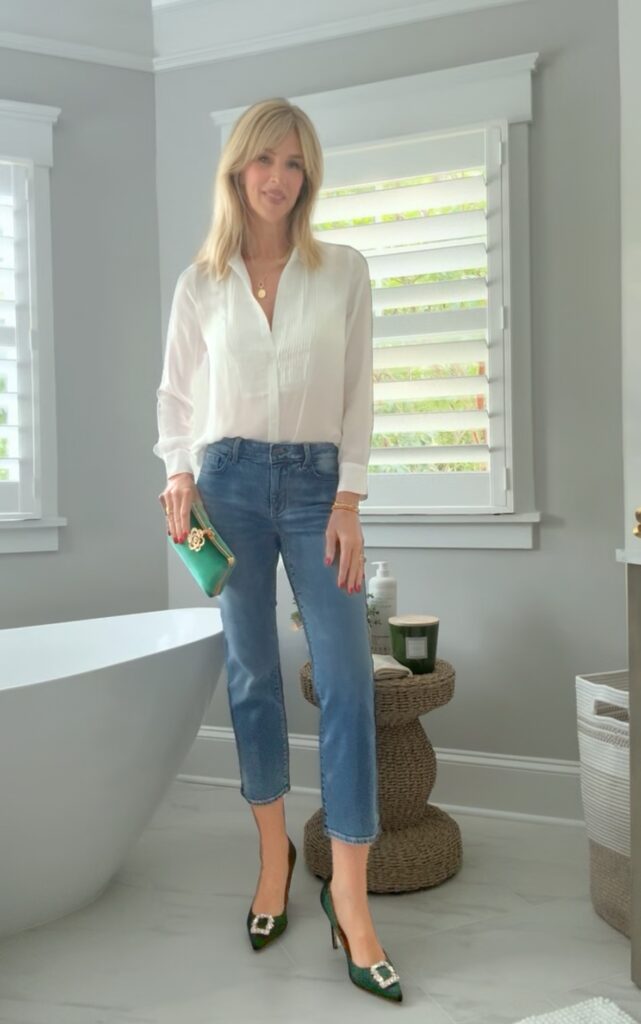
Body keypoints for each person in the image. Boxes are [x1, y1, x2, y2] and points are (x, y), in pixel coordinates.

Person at [153, 97, 402, 1003]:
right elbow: (176, 399)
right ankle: (271, 860)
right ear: (236, 170)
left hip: (313, 485)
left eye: (294, 164)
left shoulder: (343, 272)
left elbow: (360, 393)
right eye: (263, 161)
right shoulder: (200, 282)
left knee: (343, 680)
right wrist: (178, 476)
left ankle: (350, 897)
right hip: (223, 484)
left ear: (308, 176)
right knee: (253, 675)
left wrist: (349, 498)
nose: (278, 179)